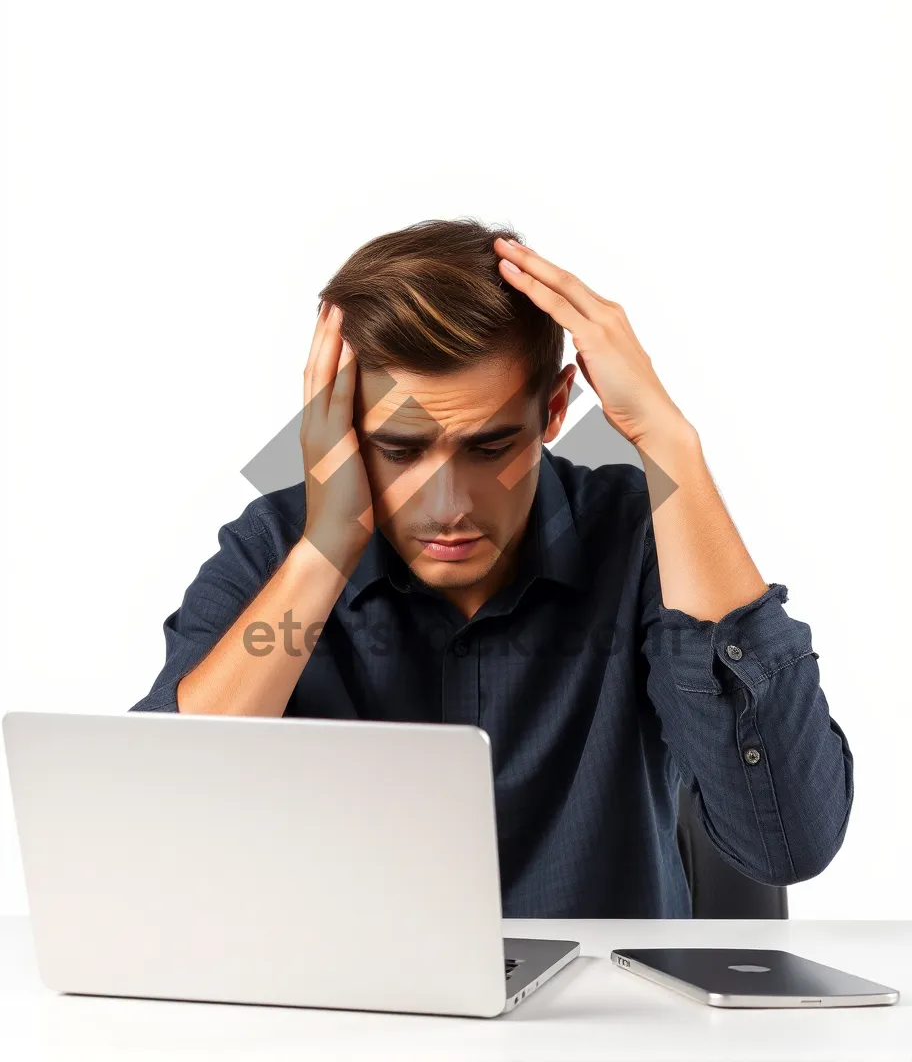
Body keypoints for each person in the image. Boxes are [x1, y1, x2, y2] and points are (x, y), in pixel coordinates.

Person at [130, 217, 854, 919]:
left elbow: (789, 841)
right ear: (341, 428)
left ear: (554, 410)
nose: (449, 507)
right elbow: (157, 824)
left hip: (603, 1031)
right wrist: (325, 550)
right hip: (348, 1029)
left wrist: (670, 445)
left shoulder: (644, 538)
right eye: (403, 450)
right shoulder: (277, 547)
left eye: (489, 448)